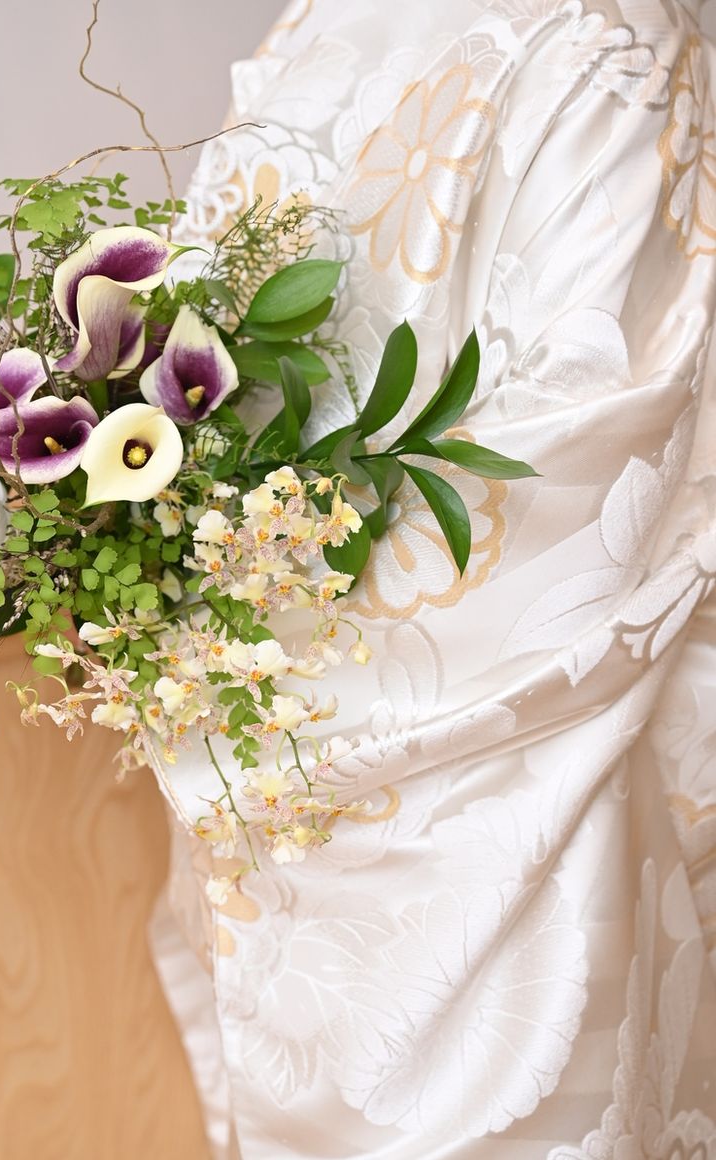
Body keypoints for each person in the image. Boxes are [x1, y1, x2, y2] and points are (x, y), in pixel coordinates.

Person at [149, 2, 716, 1156]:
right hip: (274, 762)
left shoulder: (603, 46)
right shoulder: (316, 20)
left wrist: (232, 677)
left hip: (505, 794)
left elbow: (578, 483)